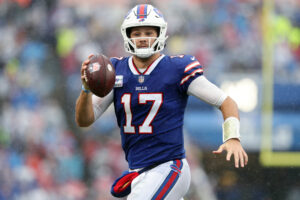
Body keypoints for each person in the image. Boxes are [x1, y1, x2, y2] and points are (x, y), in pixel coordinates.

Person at [75, 4, 248, 200]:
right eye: (137, 32)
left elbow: (226, 102)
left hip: (169, 167)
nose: (142, 38)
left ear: (160, 34)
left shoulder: (177, 68)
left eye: (148, 32)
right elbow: (85, 120)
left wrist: (232, 137)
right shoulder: (115, 71)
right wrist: (86, 90)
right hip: (139, 172)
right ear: (127, 35)